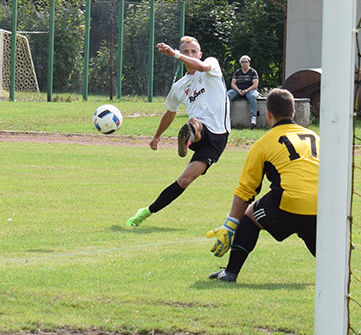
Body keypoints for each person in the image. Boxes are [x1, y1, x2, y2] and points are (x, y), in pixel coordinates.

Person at [206, 88, 319, 282]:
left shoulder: (262, 144)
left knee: (250, 217)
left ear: (268, 115)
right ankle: (338, 266)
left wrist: (230, 225)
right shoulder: (315, 137)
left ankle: (231, 272)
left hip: (289, 204)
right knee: (308, 227)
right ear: (294, 113)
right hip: (322, 206)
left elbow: (246, 191)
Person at [125, 36, 231, 227]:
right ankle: (189, 134)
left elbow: (202, 67)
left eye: (193, 51)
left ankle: (147, 210)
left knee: (184, 180)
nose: (189, 54)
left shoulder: (210, 65)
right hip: (199, 131)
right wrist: (156, 137)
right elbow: (169, 113)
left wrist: (175, 54)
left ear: (199, 54)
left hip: (218, 137)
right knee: (194, 122)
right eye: (186, 51)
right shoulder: (179, 86)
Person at [227, 55, 260, 125]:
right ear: (240, 63)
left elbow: (255, 85)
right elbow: (233, 84)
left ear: (249, 63)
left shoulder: (253, 72)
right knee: (228, 95)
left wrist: (246, 90)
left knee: (252, 96)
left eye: (246, 62)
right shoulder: (237, 72)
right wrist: (238, 90)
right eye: (242, 62)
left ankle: (253, 117)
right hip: (238, 90)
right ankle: (227, 116)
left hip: (250, 90)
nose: (244, 63)